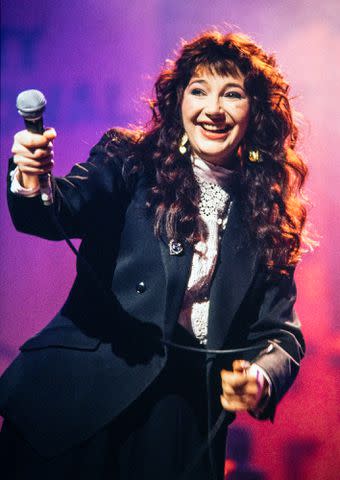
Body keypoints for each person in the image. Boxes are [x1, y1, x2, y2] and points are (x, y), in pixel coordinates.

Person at [0, 31, 307, 480]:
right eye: (198, 91)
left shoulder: (268, 217)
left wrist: (261, 377)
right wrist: (32, 179)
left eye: (232, 94)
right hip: (80, 403)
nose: (213, 109)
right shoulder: (131, 161)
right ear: (178, 102)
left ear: (256, 111)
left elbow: (282, 332)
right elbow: (59, 210)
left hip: (180, 422)